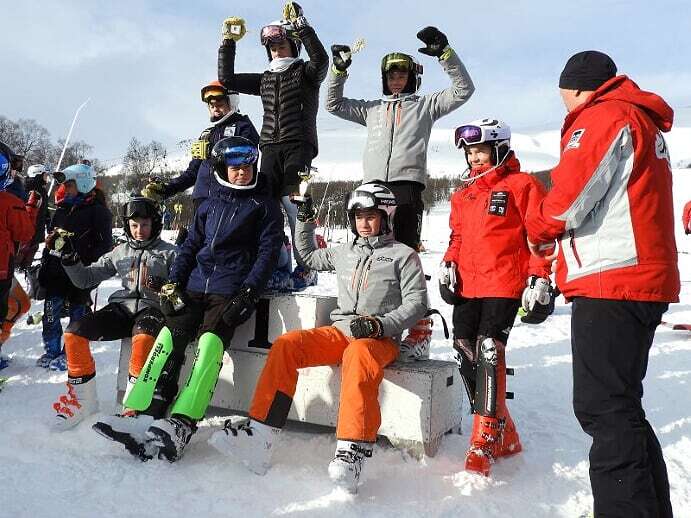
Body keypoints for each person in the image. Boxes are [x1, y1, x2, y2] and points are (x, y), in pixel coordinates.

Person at [525, 50, 679, 517]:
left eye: (563, 96)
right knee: (622, 407)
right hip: (635, 277)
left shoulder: (604, 115)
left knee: (603, 409)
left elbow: (566, 202)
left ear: (575, 87)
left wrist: (534, 220)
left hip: (614, 280)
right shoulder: (636, 115)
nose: (563, 106)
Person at [208, 183, 428, 494]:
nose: (364, 223)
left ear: (387, 216)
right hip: (342, 331)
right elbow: (308, 255)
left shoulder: (402, 256)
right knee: (288, 344)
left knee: (359, 354)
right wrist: (305, 218)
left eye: (371, 216)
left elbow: (416, 303)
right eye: (358, 217)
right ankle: (260, 434)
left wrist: (380, 326)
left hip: (379, 339)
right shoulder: (345, 252)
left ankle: (352, 451)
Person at [93, 136, 283, 462]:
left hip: (229, 289)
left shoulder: (264, 206)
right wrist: (172, 286)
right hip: (194, 285)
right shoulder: (208, 203)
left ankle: (182, 423)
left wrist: (248, 292)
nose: (242, 173)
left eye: (247, 167)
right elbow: (189, 247)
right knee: (169, 338)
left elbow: (267, 254)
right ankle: (142, 412)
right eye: (235, 168)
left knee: (209, 346)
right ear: (223, 169)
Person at [326, 26, 474, 358]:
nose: (396, 80)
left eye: (402, 74)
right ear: (384, 78)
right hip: (372, 190)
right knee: (373, 258)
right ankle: (374, 322)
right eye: (391, 75)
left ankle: (420, 330)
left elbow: (463, 89)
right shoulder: (372, 109)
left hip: (406, 189)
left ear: (411, 77)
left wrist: (445, 54)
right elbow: (332, 103)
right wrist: (338, 70)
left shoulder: (425, 106)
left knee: (406, 255)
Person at [440, 119, 552, 476]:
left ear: (500, 147)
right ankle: (505, 432)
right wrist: (447, 264)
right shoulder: (463, 194)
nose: (474, 158)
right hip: (468, 285)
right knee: (464, 348)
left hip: (505, 282)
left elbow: (541, 238)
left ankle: (484, 440)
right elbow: (457, 237)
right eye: (469, 152)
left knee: (490, 349)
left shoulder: (523, 185)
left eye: (480, 150)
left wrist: (540, 278)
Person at [217, 3, 328, 282]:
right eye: (272, 47)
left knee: (294, 204)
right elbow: (227, 79)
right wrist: (228, 42)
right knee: (264, 207)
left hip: (298, 144)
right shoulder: (265, 78)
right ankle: (277, 264)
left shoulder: (305, 73)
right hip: (268, 147)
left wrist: (302, 27)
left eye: (282, 45)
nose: (277, 50)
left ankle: (307, 266)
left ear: (293, 46)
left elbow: (322, 60)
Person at [50, 196, 176, 430]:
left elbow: (183, 292)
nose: (139, 231)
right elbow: (85, 279)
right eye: (134, 225)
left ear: (155, 224)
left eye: (145, 225)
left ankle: (135, 405)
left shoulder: (170, 253)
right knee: (74, 334)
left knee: (143, 338)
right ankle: (84, 401)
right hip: (123, 307)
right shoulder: (120, 252)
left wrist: (166, 288)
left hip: (152, 309)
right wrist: (69, 258)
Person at [37, 163, 113, 371]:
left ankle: (70, 352)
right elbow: (52, 240)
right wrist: (47, 257)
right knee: (50, 312)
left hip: (81, 272)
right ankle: (51, 349)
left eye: (69, 185)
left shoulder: (98, 212)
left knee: (77, 315)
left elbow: (105, 246)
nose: (65, 189)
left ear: (83, 183)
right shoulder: (62, 209)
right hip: (56, 271)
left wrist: (82, 258)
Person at [141, 81, 259, 212]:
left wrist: (213, 151)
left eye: (220, 105)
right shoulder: (207, 135)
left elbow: (247, 158)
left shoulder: (243, 127)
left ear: (232, 102)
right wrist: (168, 188)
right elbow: (193, 172)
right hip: (202, 198)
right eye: (212, 106)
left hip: (228, 199)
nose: (215, 109)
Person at [0, 142, 40, 369]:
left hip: (7, 264)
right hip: (2, 269)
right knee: (16, 305)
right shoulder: (10, 199)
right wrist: (31, 210)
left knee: (20, 304)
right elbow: (25, 233)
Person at [16, 163, 50, 270]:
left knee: (32, 250)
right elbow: (29, 212)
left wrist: (48, 219)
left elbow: (43, 208)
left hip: (37, 228)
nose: (46, 178)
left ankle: (24, 267)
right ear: (38, 175)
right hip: (30, 231)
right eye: (44, 175)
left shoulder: (41, 190)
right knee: (24, 252)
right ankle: (19, 268)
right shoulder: (33, 191)